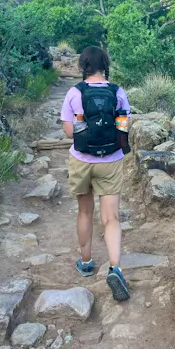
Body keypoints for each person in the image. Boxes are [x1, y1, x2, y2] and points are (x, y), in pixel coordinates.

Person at [59, 46, 132, 301]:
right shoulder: (117, 92)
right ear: (105, 65)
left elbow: (69, 132)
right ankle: (115, 268)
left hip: (82, 160)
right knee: (111, 217)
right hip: (111, 160)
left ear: (83, 66)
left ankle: (86, 262)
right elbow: (123, 125)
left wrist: (84, 123)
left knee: (85, 212)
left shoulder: (74, 93)